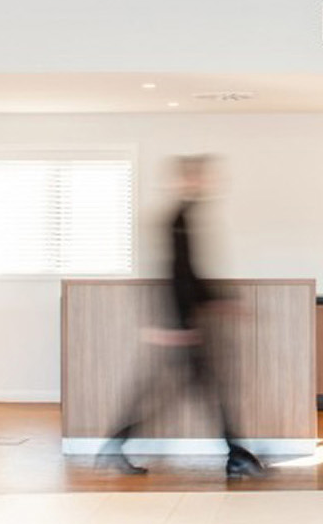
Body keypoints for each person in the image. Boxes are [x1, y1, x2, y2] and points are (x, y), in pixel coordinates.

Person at [99, 155, 266, 480]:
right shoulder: (178, 218)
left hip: (185, 324)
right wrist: (177, 326)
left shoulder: (185, 215)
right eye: (198, 176)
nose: (205, 182)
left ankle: (235, 455)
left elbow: (189, 275)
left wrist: (220, 302)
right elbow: (179, 274)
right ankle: (236, 456)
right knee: (186, 391)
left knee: (193, 389)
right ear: (185, 180)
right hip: (182, 326)